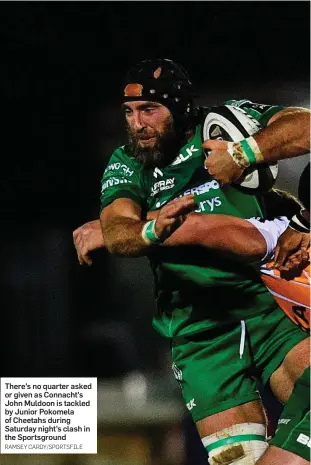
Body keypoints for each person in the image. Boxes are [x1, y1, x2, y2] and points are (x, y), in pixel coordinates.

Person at [74, 59, 310, 464]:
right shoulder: (127, 163)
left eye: (149, 110)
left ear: (180, 107)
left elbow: (304, 127)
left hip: (268, 308)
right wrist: (151, 229)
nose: (137, 124)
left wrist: (244, 152)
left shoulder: (224, 123)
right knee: (237, 459)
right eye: (129, 113)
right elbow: (118, 231)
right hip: (199, 331)